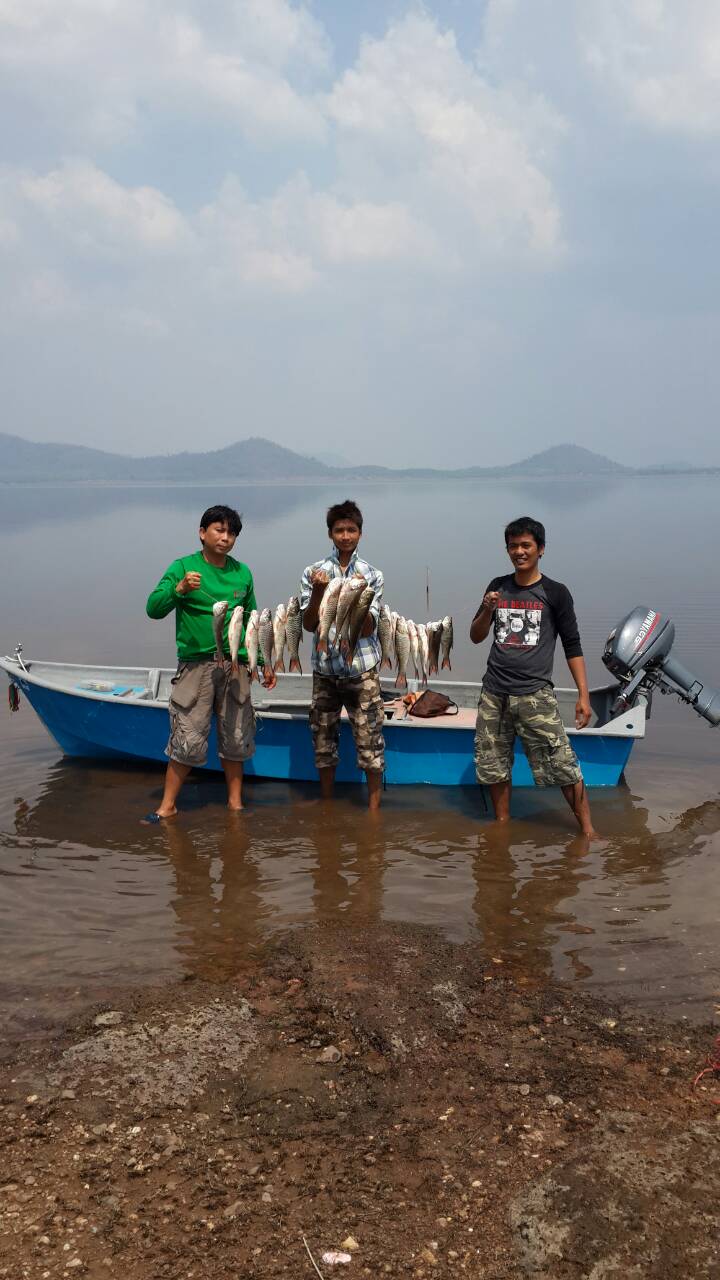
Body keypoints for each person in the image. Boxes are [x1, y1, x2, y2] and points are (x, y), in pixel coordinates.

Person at [144, 504, 275, 820]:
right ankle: (167, 806)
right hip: (197, 666)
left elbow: (252, 622)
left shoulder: (242, 573)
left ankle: (235, 804)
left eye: (231, 533)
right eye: (219, 530)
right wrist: (179, 590)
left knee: (237, 738)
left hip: (236, 666)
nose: (225, 537)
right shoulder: (183, 567)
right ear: (202, 533)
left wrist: (261, 662)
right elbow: (153, 608)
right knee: (188, 736)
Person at [470, 516, 596, 837]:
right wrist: (486, 609)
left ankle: (588, 831)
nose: (519, 552)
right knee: (493, 764)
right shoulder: (497, 586)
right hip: (494, 693)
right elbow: (475, 635)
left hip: (535, 695)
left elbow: (572, 645)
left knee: (562, 764)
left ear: (541, 549)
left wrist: (583, 695)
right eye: (513, 546)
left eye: (526, 545)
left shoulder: (555, 593)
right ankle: (501, 825)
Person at [300, 499, 385, 810]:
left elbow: (368, 629)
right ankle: (326, 804)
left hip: (362, 671)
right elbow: (309, 624)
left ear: (360, 534)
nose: (345, 536)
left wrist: (358, 600)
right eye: (339, 530)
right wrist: (320, 592)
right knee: (323, 741)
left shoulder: (372, 575)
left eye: (351, 530)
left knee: (370, 742)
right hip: (325, 670)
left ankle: (374, 811)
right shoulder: (313, 573)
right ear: (330, 534)